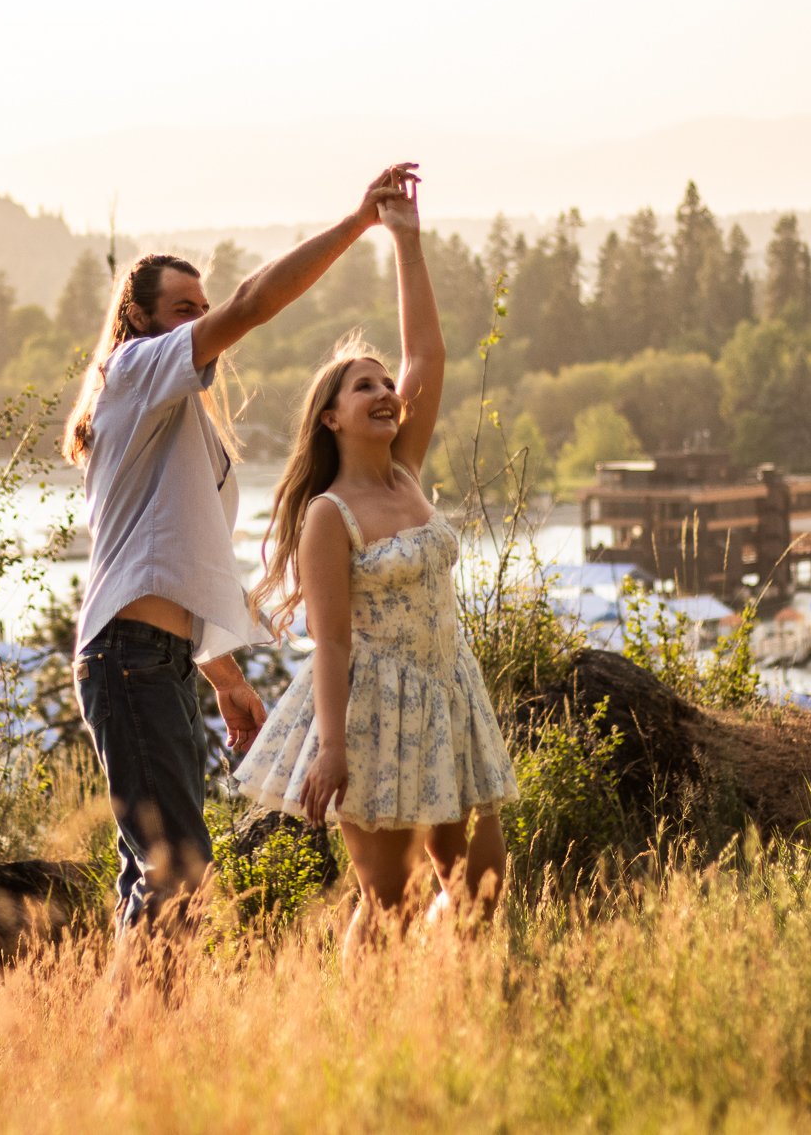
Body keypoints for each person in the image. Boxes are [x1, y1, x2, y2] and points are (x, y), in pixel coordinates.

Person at [64, 163, 419, 933]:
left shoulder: (173, 414)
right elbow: (255, 303)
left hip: (152, 654)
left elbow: (169, 556)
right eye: (183, 308)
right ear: (144, 322)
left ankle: (131, 1040)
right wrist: (359, 223)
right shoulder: (133, 371)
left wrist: (221, 673)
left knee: (162, 867)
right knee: (176, 866)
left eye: (202, 303)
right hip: (127, 655)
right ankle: (132, 1037)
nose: (203, 317)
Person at [233, 174, 517, 953]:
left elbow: (427, 349)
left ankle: (442, 999)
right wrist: (332, 748)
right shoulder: (330, 514)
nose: (389, 391)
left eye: (388, 384)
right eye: (367, 387)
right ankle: (360, 1022)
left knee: (482, 887)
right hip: (375, 714)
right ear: (331, 416)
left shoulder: (407, 470)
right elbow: (331, 643)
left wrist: (407, 241)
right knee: (387, 902)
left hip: (450, 693)